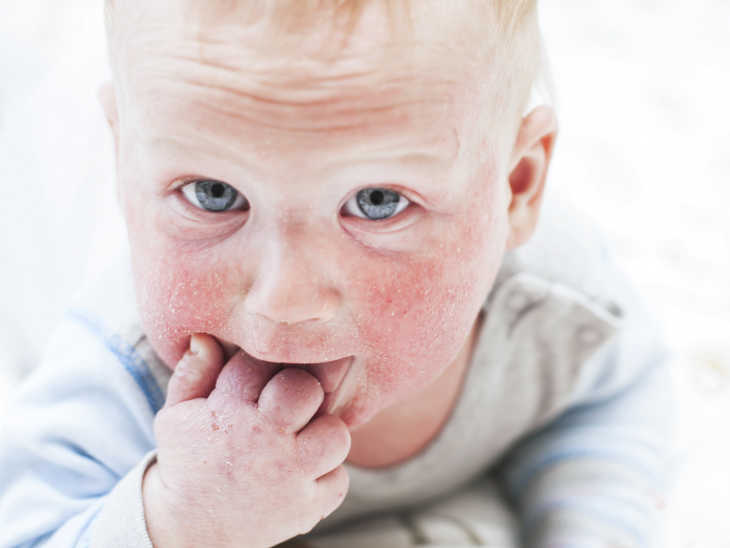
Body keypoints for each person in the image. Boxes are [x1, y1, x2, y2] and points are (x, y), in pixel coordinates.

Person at [0, 1, 676, 546]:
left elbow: (612, 402)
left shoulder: (555, 302)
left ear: (516, 189)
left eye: (376, 203)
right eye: (212, 193)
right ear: (128, 168)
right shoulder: (124, 364)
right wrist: (176, 521)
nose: (284, 301)